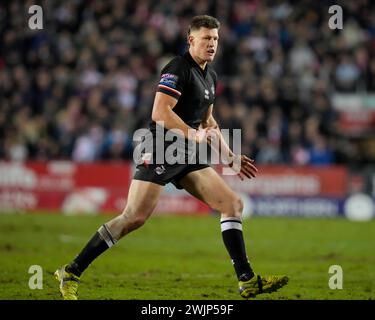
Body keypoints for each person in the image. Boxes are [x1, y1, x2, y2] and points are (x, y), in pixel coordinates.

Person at [54, 15, 288, 300]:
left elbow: (209, 122)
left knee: (232, 204)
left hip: (188, 152)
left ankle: (247, 281)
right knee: (134, 217)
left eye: (215, 38)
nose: (212, 44)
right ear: (191, 40)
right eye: (206, 38)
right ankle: (71, 271)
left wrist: (229, 156)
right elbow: (160, 112)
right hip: (160, 148)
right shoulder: (177, 68)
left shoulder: (210, 76)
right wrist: (193, 134)